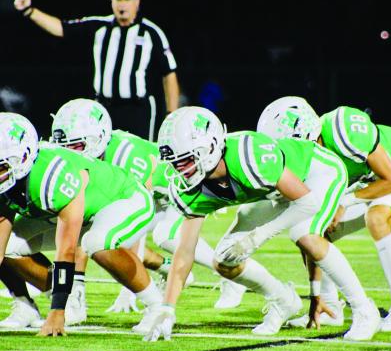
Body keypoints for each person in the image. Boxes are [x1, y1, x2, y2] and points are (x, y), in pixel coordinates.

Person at [143, 106, 380, 342]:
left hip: (317, 172)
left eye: (186, 160)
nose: (180, 170)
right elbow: (184, 252)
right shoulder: (189, 190)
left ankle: (364, 310)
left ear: (211, 146)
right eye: (175, 163)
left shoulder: (248, 156)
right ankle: (283, 299)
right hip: (274, 191)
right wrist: (168, 309)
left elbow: (307, 202)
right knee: (224, 259)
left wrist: (258, 237)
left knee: (304, 233)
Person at [49, 98, 246, 317]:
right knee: (94, 229)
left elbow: (141, 209)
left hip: (176, 193)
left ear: (98, 137)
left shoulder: (125, 154)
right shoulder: (87, 161)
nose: (70, 154)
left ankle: (227, 272)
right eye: (64, 147)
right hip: (155, 200)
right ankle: (163, 268)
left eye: (75, 146)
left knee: (164, 235)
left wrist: (128, 289)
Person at [0, 112, 163, 336]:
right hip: (77, 211)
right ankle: (26, 306)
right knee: (9, 246)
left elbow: (66, 250)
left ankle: (157, 306)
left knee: (95, 242)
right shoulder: (10, 180)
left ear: (24, 157)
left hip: (123, 198)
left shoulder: (52, 177)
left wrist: (57, 312)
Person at [257, 96, 391, 332]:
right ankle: (330, 307)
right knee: (311, 229)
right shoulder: (310, 160)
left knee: (377, 217)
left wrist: (345, 201)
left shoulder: (343, 126)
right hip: (370, 185)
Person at [13, 0, 180, 141]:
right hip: (104, 108)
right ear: (111, 1)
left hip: (137, 110)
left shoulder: (152, 33)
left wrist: (171, 115)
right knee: (101, 156)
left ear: (137, 1)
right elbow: (61, 28)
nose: (121, 4)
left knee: (140, 157)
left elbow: (169, 74)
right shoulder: (99, 27)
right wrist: (29, 11)